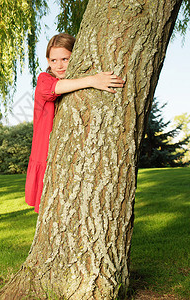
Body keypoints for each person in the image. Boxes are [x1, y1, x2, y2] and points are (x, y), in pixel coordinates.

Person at [25, 33, 125, 213]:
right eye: (54, 60)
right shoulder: (44, 79)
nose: (59, 65)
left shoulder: (73, 79)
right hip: (44, 155)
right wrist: (93, 80)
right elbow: (53, 89)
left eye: (65, 58)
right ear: (47, 61)